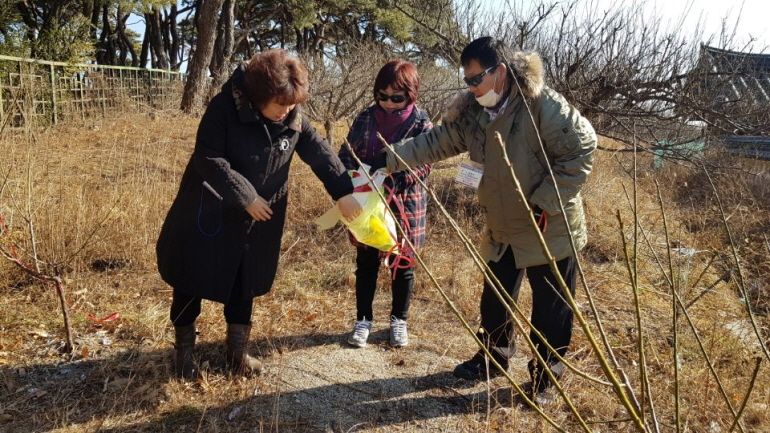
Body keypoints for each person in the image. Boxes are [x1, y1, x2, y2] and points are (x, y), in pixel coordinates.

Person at [375, 37, 596, 402]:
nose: (471, 86)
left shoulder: (543, 105)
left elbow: (582, 149)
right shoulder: (476, 114)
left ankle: (546, 379)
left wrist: (545, 203)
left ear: (502, 73)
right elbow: (436, 142)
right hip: (504, 224)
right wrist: (385, 160)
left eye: (476, 78)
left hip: (548, 223)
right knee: (495, 299)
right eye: (467, 80)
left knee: (551, 309)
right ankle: (493, 359)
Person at [156, 49, 362, 379]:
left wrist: (344, 193)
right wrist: (245, 195)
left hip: (258, 217)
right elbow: (208, 158)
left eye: (293, 104)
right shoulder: (225, 107)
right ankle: (184, 354)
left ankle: (236, 353)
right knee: (190, 275)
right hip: (210, 206)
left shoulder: (292, 116)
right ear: (259, 95)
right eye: (281, 104)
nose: (288, 111)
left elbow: (321, 154)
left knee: (244, 279)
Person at [338, 60, 433, 348]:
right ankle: (363, 320)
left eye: (396, 97)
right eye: (382, 96)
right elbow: (345, 152)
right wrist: (351, 177)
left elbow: (425, 163)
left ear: (411, 94)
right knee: (365, 262)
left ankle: (398, 320)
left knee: (402, 264)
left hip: (405, 205)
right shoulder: (366, 118)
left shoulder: (421, 123)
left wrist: (391, 182)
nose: (388, 103)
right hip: (367, 202)